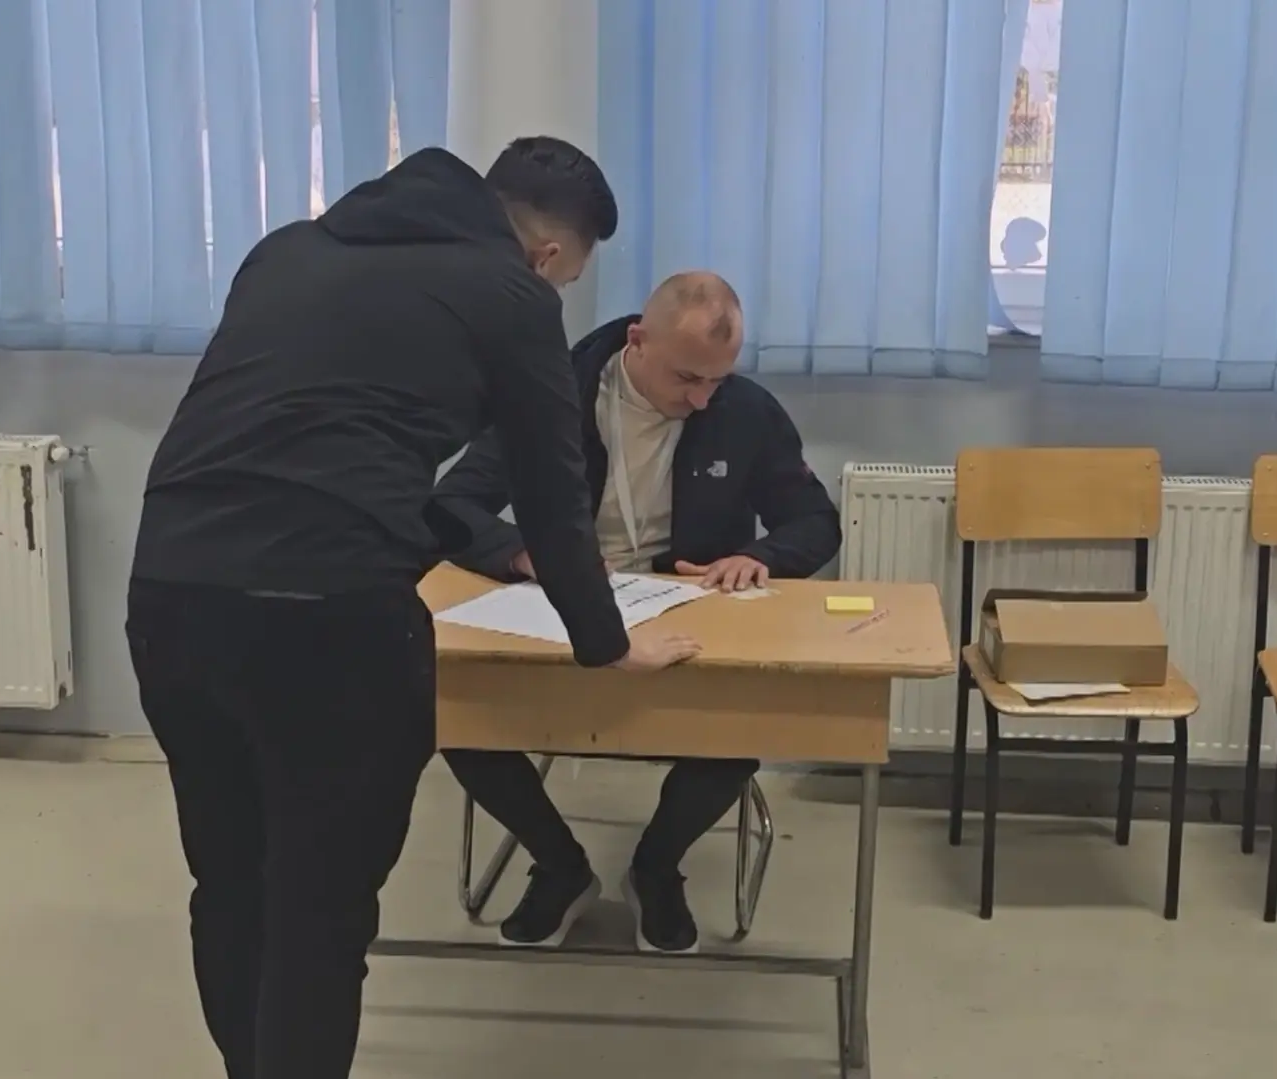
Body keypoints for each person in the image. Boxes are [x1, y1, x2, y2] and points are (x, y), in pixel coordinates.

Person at [124, 138, 700, 1079]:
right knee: (318, 910)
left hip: (172, 595)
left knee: (231, 885)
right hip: (331, 619)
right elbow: (552, 503)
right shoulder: (513, 296)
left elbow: (274, 434)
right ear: (548, 255)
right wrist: (606, 642)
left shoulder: (287, 250)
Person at [434, 271, 841, 954]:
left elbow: (815, 521)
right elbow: (451, 504)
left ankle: (655, 868)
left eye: (716, 379)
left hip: (685, 615)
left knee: (745, 723)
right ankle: (559, 866)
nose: (702, 397)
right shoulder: (550, 398)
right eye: (687, 378)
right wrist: (522, 554)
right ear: (637, 341)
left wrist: (759, 555)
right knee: (459, 715)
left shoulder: (744, 410)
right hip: (565, 609)